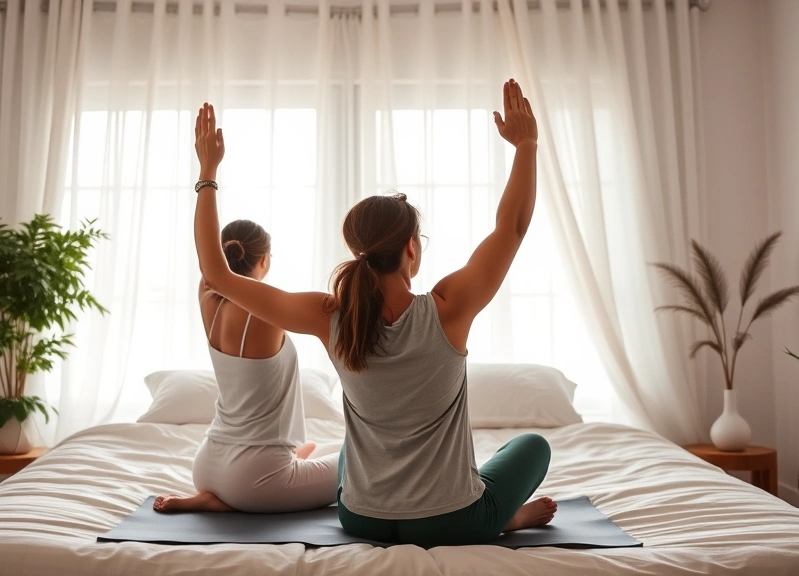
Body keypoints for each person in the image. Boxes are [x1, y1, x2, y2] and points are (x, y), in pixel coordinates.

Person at [190, 78, 554, 546]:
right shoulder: (449, 308)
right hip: (454, 521)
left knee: (351, 449)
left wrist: (207, 171)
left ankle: (486, 510)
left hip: (360, 517)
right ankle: (502, 517)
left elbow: (217, 276)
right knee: (532, 447)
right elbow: (514, 226)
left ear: (358, 250)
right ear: (411, 250)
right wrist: (526, 144)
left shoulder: (328, 316)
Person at [153, 219, 339, 514]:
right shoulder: (268, 310)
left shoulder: (207, 298)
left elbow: (209, 265)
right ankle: (235, 498)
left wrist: (207, 179)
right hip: (256, 481)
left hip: (207, 465)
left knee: (319, 447)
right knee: (361, 460)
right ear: (264, 260)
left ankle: (215, 498)